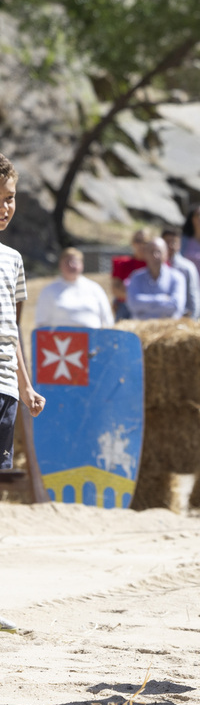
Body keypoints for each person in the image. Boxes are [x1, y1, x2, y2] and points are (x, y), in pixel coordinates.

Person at [0, 153, 46, 472]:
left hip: (5, 388)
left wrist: (26, 386)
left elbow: (11, 329)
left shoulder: (13, 260)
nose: (4, 209)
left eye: (10, 199)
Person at [34, 247, 115, 329]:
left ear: (82, 265)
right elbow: (41, 323)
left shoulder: (95, 288)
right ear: (60, 265)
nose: (71, 265)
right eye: (67, 262)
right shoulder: (49, 290)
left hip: (93, 339)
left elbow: (107, 320)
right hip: (62, 340)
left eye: (75, 262)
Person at [124, 237, 188, 320]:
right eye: (151, 252)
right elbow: (132, 304)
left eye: (158, 251)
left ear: (166, 254)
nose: (155, 256)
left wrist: (144, 303)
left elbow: (176, 306)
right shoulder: (136, 277)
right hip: (140, 328)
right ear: (145, 254)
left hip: (169, 328)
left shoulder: (177, 277)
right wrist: (163, 298)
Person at [162, 227, 200, 319]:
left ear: (179, 245)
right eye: (167, 242)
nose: (170, 246)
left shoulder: (187, 267)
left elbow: (194, 295)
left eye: (174, 242)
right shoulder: (156, 265)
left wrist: (193, 318)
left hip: (183, 317)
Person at [110, 228, 149, 321]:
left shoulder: (155, 265)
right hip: (126, 307)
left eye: (145, 242)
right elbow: (116, 290)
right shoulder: (122, 263)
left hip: (149, 308)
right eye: (137, 241)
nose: (140, 245)